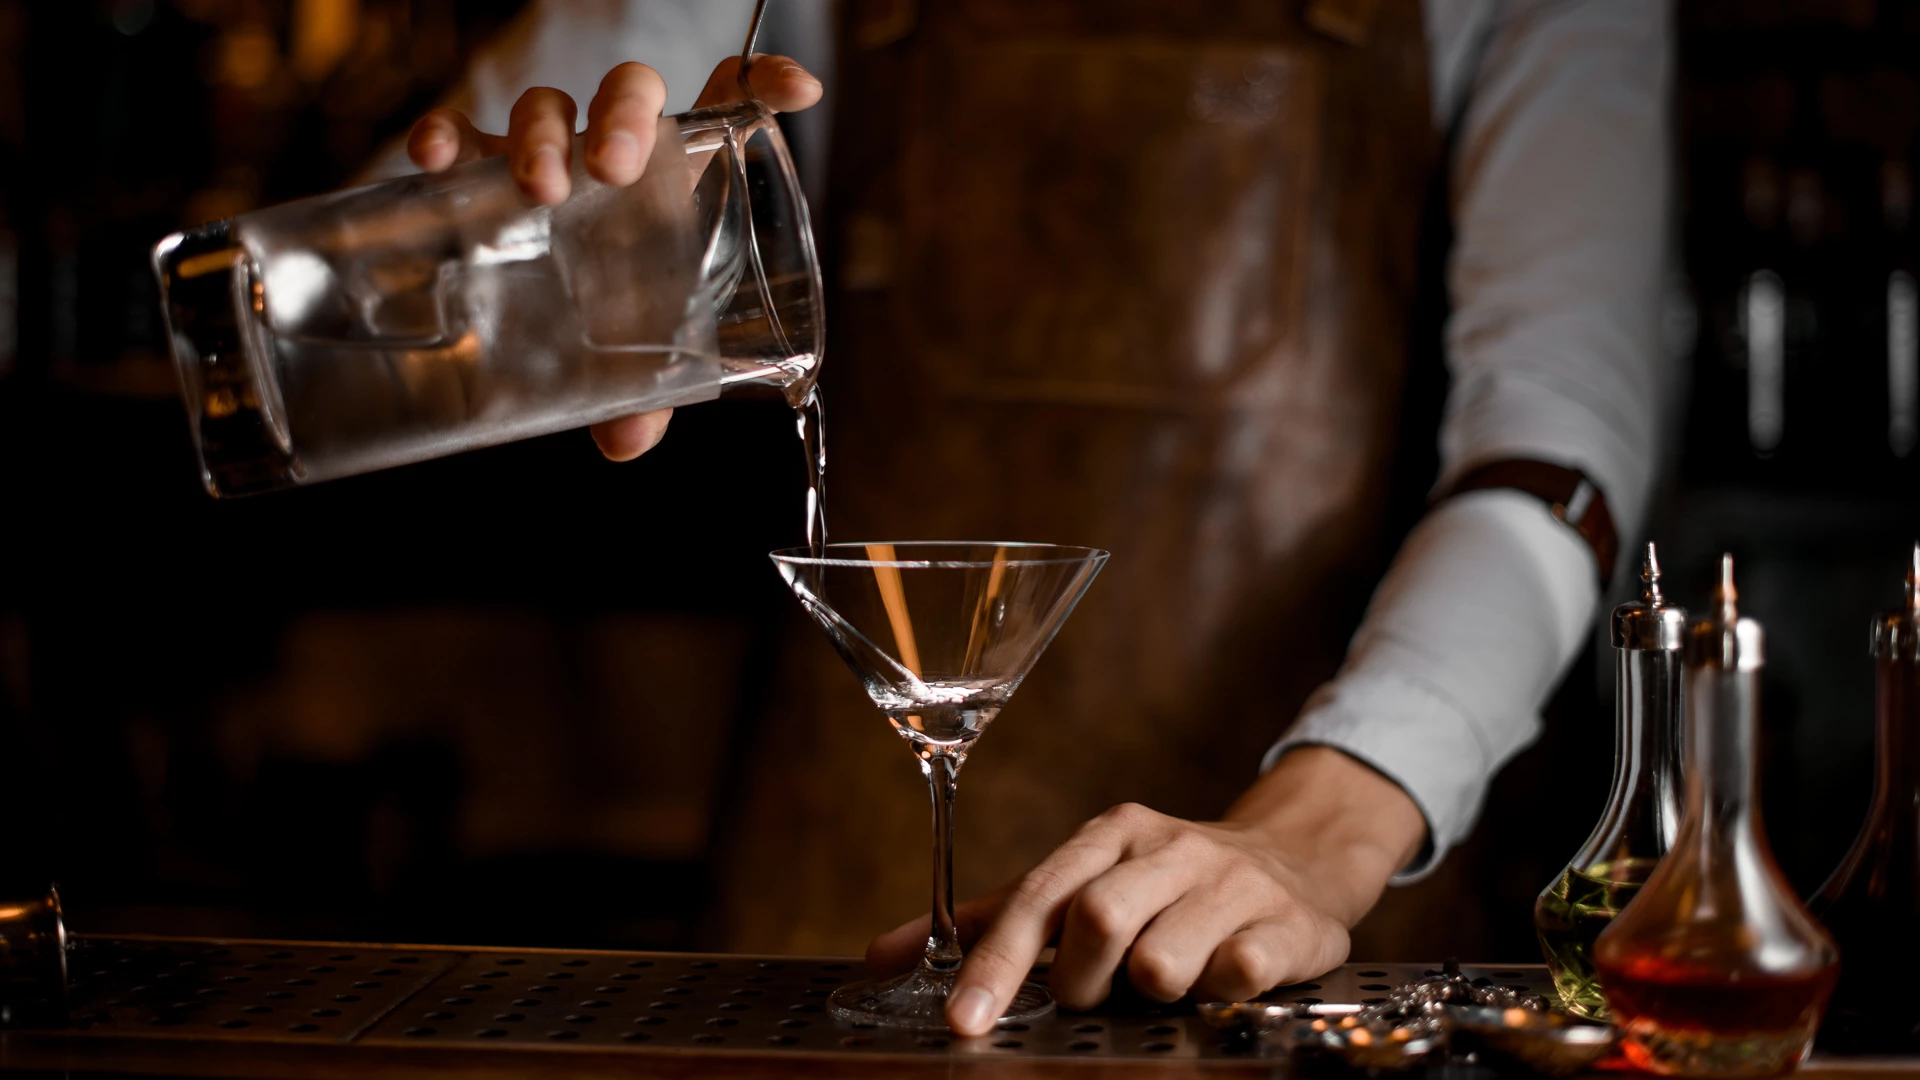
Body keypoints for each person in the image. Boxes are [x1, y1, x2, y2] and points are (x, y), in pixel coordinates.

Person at [395, 0, 1671, 1037]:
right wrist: (530, 245)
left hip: (1282, 950)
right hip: (823, 939)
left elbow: (1551, 453)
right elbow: (410, 271)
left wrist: (1327, 826)